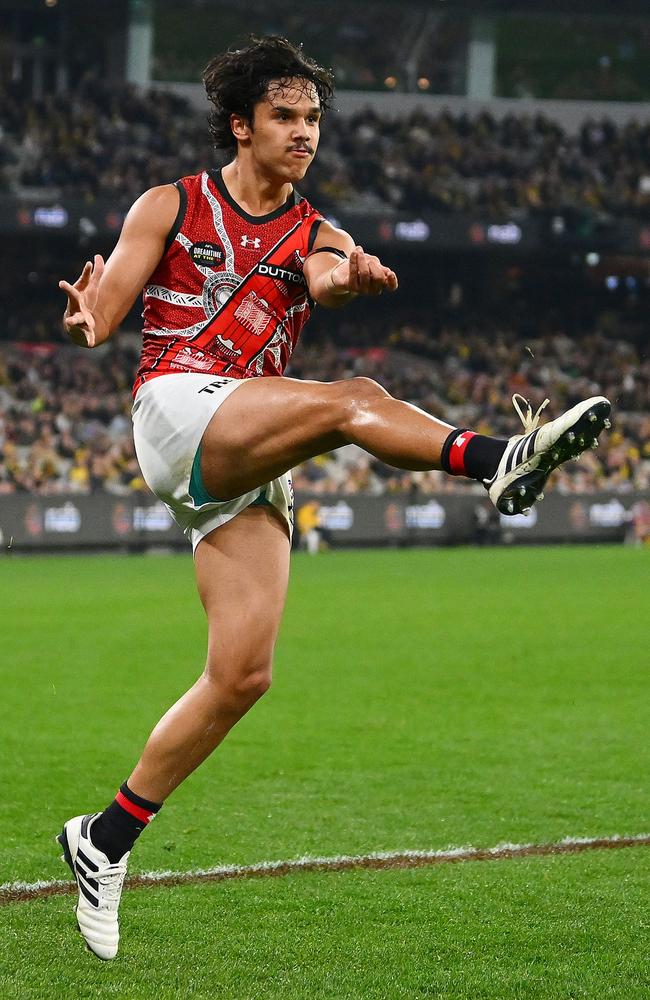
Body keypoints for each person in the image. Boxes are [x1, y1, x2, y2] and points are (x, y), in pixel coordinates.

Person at [56, 36, 611, 960]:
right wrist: (86, 320)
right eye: (285, 116)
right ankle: (499, 457)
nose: (304, 132)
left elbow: (323, 280)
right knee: (354, 400)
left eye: (314, 118)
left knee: (242, 675)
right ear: (242, 123)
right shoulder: (169, 204)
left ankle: (103, 839)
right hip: (177, 409)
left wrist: (349, 278)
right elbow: (105, 313)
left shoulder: (317, 229)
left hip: (246, 445)